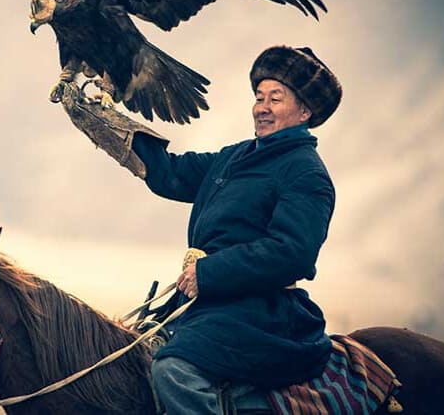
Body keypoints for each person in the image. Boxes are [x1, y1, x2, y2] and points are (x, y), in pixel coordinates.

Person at [130, 45, 342, 414]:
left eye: (276, 98)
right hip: (208, 305)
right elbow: (171, 175)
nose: (262, 107)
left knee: (175, 372)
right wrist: (110, 124)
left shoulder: (306, 173)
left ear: (305, 111)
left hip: (261, 311)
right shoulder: (236, 156)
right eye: (259, 97)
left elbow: (292, 252)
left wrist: (208, 272)